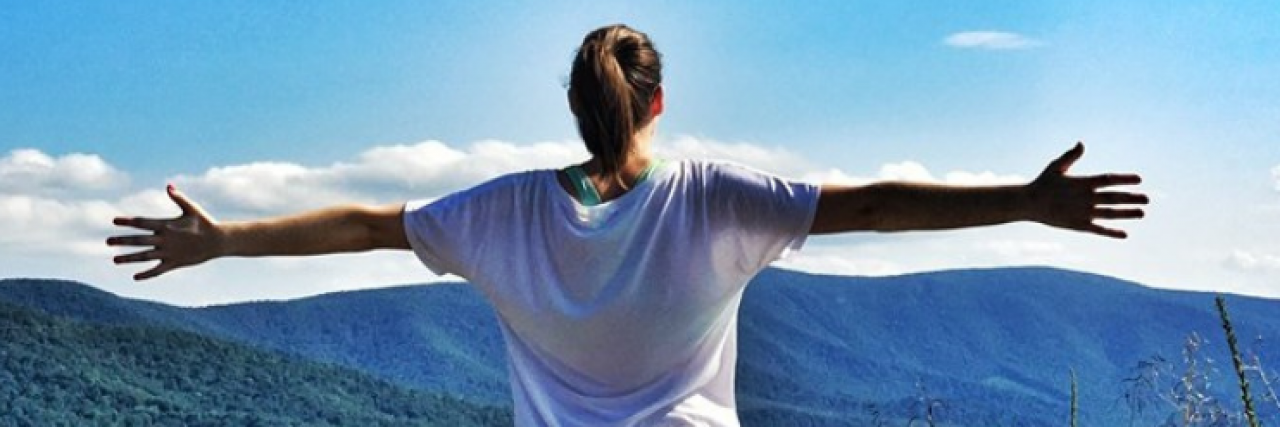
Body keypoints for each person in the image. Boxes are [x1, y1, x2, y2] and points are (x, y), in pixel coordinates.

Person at [108, 24, 1147, 427]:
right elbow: (873, 205)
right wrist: (1024, 199)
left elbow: (368, 225)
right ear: (655, 100)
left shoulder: (501, 213)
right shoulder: (713, 194)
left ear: (580, 107)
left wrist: (228, 239)